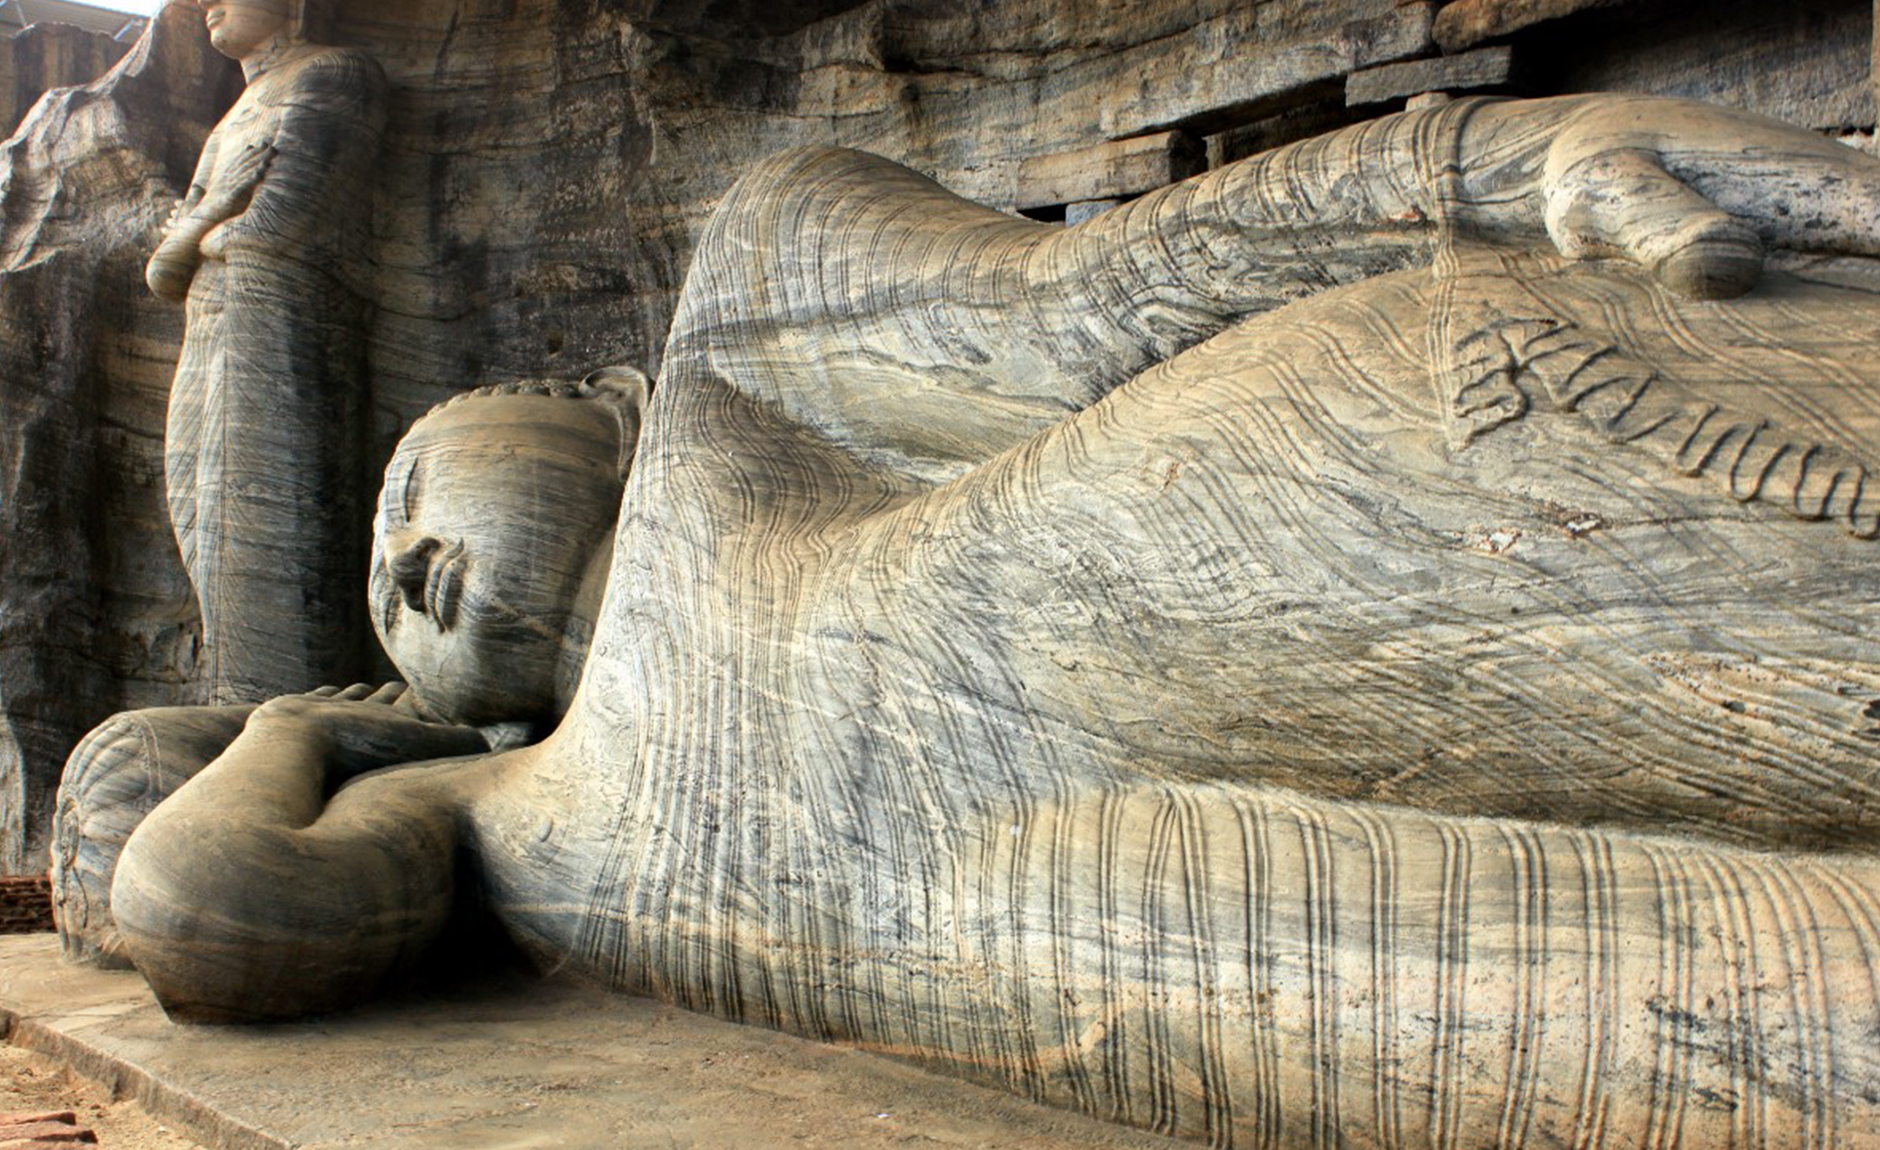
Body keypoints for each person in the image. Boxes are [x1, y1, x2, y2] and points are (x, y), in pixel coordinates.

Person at [98, 93, 1880, 1147]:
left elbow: (1106, 291)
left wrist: (1501, 156)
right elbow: (210, 908)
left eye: (409, 493)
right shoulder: (494, 814)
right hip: (1206, 910)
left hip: (1333, 510)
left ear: (564, 397)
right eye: (387, 618)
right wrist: (298, 729)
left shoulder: (748, 334)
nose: (408, 571)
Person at [51, 371, 645, 969]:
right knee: (128, 763)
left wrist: (290, 733)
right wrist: (292, 735)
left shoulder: (674, 507)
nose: (398, 559)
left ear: (625, 409)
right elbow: (198, 901)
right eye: (382, 582)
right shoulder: (453, 784)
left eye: (425, 491)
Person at [148, 0, 388, 704]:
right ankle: (235, 703)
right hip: (209, 326)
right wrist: (217, 207)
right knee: (197, 515)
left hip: (283, 322)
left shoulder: (337, 74)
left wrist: (204, 228)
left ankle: (286, 715)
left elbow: (275, 227)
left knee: (271, 528)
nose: (206, 4)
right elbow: (162, 272)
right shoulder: (237, 112)